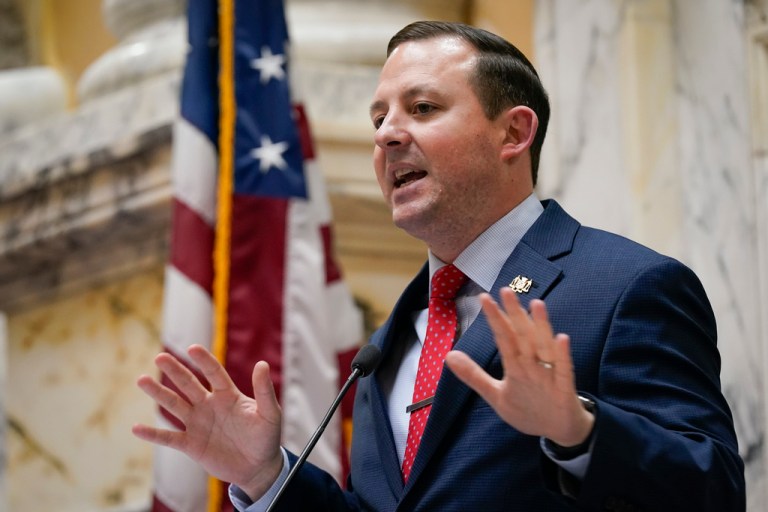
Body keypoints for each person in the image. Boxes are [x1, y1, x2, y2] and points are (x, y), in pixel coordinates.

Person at [133, 21, 746, 511]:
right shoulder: (388, 344)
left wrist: (579, 430)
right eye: (379, 118)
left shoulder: (625, 286)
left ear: (514, 133)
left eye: (422, 108)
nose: (387, 136)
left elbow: (713, 489)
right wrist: (266, 476)